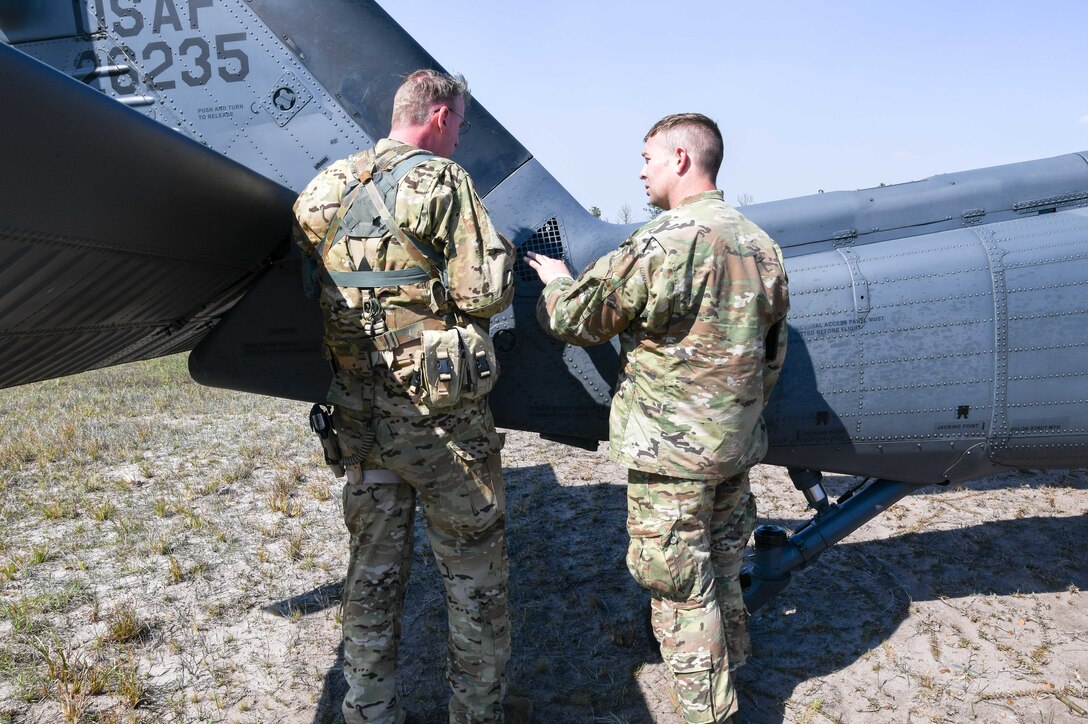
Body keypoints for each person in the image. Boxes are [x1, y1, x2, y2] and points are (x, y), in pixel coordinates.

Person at [526, 113, 789, 723]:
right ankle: (732, 671)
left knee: (677, 588)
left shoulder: (663, 244)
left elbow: (576, 321)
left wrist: (558, 280)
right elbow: (770, 355)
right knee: (722, 568)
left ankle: (709, 714)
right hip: (734, 447)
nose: (640, 171)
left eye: (647, 158)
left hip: (671, 457)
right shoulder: (760, 245)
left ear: (678, 159)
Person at [294, 69, 525, 723]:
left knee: (370, 577)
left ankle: (369, 712)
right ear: (442, 117)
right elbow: (485, 293)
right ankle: (477, 714)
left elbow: (320, 283)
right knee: (474, 579)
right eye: (460, 125)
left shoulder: (323, 190)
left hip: (360, 420)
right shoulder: (442, 181)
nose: (458, 138)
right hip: (443, 429)